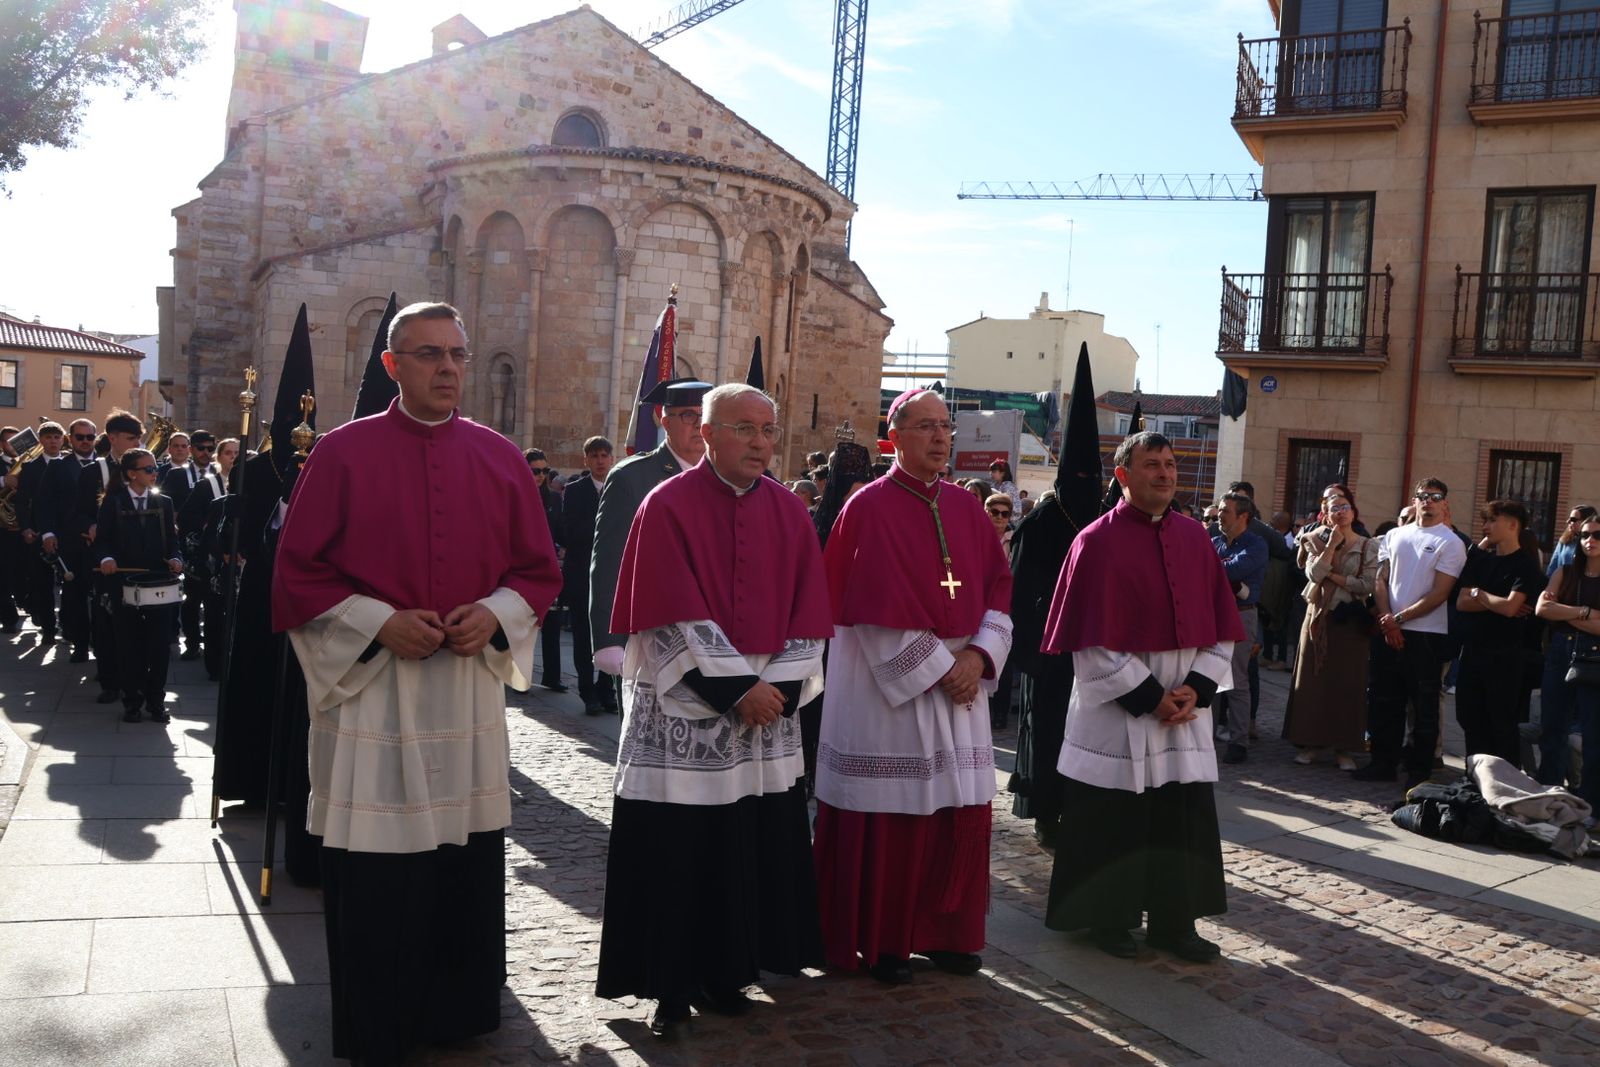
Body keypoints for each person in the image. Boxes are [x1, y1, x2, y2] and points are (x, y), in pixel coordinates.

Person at [272, 301, 562, 1064]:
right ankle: (378, 1024)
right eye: (429, 354)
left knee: (461, 857)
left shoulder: (499, 456)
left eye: (458, 355)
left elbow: (536, 570)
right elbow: (297, 573)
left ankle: (455, 1009)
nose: (447, 369)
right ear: (393, 365)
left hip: (464, 685)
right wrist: (377, 621)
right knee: (375, 865)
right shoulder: (340, 453)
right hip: (374, 689)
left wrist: (495, 613)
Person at [596, 383, 831, 1037]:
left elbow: (811, 612)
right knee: (680, 848)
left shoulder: (789, 510)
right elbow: (665, 614)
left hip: (764, 714)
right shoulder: (664, 504)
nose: (761, 442)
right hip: (686, 708)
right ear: (706, 433)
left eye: (768, 430)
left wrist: (774, 687)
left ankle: (731, 970)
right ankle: (669, 982)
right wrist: (737, 690)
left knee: (745, 840)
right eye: (746, 429)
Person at [812, 388, 1013, 985]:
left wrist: (978, 657)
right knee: (895, 813)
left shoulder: (968, 507)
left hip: (962, 686)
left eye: (946, 426)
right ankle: (886, 940)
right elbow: (866, 610)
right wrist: (943, 670)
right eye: (926, 426)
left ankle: (946, 932)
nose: (941, 437)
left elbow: (998, 588)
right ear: (894, 435)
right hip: (888, 696)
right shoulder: (867, 506)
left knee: (955, 811)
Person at [1040, 431, 1242, 963]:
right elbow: (1090, 641)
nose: (1165, 473)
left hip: (1183, 707)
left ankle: (1175, 924)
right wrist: (1151, 697)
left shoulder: (1196, 538)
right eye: (1152, 465)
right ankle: (1108, 919)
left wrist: (1196, 688)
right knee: (1115, 820)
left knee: (1180, 818)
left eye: (1171, 464)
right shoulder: (1095, 541)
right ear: (1124, 475)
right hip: (1122, 711)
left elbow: (1222, 626)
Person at [1008, 344, 1102, 849]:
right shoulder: (1044, 521)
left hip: (1095, 651)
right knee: (1048, 733)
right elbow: (1021, 588)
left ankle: (1083, 810)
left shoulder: (1107, 522)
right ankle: (1046, 810)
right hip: (1050, 653)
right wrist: (1028, 653)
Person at [589, 377, 712, 698]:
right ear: (665, 420)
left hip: (714, 641)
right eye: (688, 415)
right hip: (648, 638)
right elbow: (609, 563)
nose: (698, 425)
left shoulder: (724, 476)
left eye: (705, 416)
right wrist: (609, 640)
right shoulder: (633, 477)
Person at [1356, 478, 1468, 790]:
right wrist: (1385, 618)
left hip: (1426, 636)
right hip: (1387, 629)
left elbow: (1440, 593)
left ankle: (1420, 769)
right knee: (1383, 700)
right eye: (1423, 496)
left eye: (1435, 497)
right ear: (1414, 500)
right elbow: (1381, 579)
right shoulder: (1394, 535)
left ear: (1444, 503)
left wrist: (1398, 619)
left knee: (1423, 706)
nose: (1428, 502)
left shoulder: (1451, 542)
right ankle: (1383, 763)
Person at [1283, 485, 1378, 769]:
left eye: (1344, 506)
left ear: (1353, 510)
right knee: (1313, 682)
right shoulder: (1314, 539)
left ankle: (1344, 749)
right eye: (1333, 507)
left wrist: (1334, 576)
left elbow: (1367, 585)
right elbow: (1312, 573)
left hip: (1348, 621)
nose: (1340, 511)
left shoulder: (1367, 545)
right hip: (1317, 618)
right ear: (1325, 513)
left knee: (1347, 684)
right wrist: (1331, 547)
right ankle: (1310, 743)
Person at [94, 448, 183, 723]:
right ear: (131, 473)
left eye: (155, 468)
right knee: (129, 645)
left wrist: (177, 558)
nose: (154, 473)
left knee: (159, 646)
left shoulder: (164, 502)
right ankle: (132, 701)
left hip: (158, 583)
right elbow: (103, 540)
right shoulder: (113, 502)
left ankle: (156, 701)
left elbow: (172, 541)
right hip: (124, 583)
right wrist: (107, 558)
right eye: (148, 469)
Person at [1454, 500, 1544, 765]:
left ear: (1513, 525)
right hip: (1472, 652)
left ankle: (1505, 785)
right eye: (1485, 520)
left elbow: (1510, 607)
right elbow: (1461, 603)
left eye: (1493, 520)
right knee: (1469, 716)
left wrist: (1478, 594)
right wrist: (1491, 601)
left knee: (1501, 723)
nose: (1486, 526)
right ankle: (1475, 780)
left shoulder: (1525, 566)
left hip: (1505, 657)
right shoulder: (1481, 561)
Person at [76, 410, 144, 704]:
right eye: (131, 439)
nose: (136, 443)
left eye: (138, 438)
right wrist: (90, 525)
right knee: (106, 620)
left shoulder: (147, 467)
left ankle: (137, 680)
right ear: (113, 438)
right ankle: (110, 681)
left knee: (138, 623)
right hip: (106, 558)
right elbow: (77, 511)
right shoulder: (94, 470)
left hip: (140, 556)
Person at [1534, 512, 1600, 808]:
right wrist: (1585, 612)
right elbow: (1542, 608)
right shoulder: (1566, 570)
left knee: (1592, 732)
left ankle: (1591, 802)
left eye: (1597, 535)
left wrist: (1566, 612)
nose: (1590, 541)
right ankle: (1550, 793)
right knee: (1552, 726)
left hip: (1594, 656)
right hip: (1561, 651)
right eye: (1585, 535)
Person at [33, 418, 100, 661]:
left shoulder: (104, 465)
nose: (85, 442)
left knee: (102, 597)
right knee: (74, 595)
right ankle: (80, 644)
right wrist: (48, 533)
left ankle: (100, 644)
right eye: (80, 437)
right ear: (70, 439)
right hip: (71, 541)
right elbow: (44, 502)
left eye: (89, 437)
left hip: (100, 541)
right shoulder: (59, 467)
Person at [560, 435, 615, 716]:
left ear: (611, 458)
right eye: (594, 456)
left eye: (604, 455)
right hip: (583, 575)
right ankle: (587, 690)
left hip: (612, 577)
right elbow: (572, 532)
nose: (600, 461)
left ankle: (607, 689)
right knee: (583, 635)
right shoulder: (575, 490)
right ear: (587, 459)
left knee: (612, 635)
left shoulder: (618, 487)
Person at [1212, 491, 1266, 764]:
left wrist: (1219, 570)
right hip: (1212, 616)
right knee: (1208, 678)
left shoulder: (1257, 545)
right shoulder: (1214, 542)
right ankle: (1203, 739)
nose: (1218, 515)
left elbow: (1231, 571)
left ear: (1243, 516)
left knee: (1236, 680)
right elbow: (1203, 570)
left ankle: (1238, 742)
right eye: (1219, 510)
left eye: (1225, 511)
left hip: (1241, 617)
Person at [15, 421, 67, 645]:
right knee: (42, 583)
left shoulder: (72, 465)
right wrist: (26, 527)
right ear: (41, 441)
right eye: (48, 437)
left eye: (56, 437)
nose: (53, 441)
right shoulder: (30, 468)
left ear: (63, 439)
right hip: (39, 532)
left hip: (68, 532)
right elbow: (21, 501)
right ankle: (48, 628)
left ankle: (69, 624)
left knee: (71, 584)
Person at [161, 430, 212, 659]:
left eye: (211, 448)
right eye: (201, 448)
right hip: (187, 542)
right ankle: (191, 642)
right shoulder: (177, 474)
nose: (206, 453)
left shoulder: (219, 474)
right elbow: (170, 508)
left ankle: (212, 642)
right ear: (192, 449)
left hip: (213, 543)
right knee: (192, 596)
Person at [525, 447, 567, 692]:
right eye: (535, 471)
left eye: (544, 470)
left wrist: (565, 547)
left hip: (549, 566)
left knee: (552, 623)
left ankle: (552, 676)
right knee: (524, 626)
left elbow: (561, 529)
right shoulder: (517, 494)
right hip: (524, 567)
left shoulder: (554, 499)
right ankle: (518, 676)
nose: (540, 475)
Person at [1547, 504, 1598, 579]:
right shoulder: (1565, 540)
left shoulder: (1595, 543)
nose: (1568, 521)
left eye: (1573, 520)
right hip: (1561, 585)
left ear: (1585, 521)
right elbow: (1552, 568)